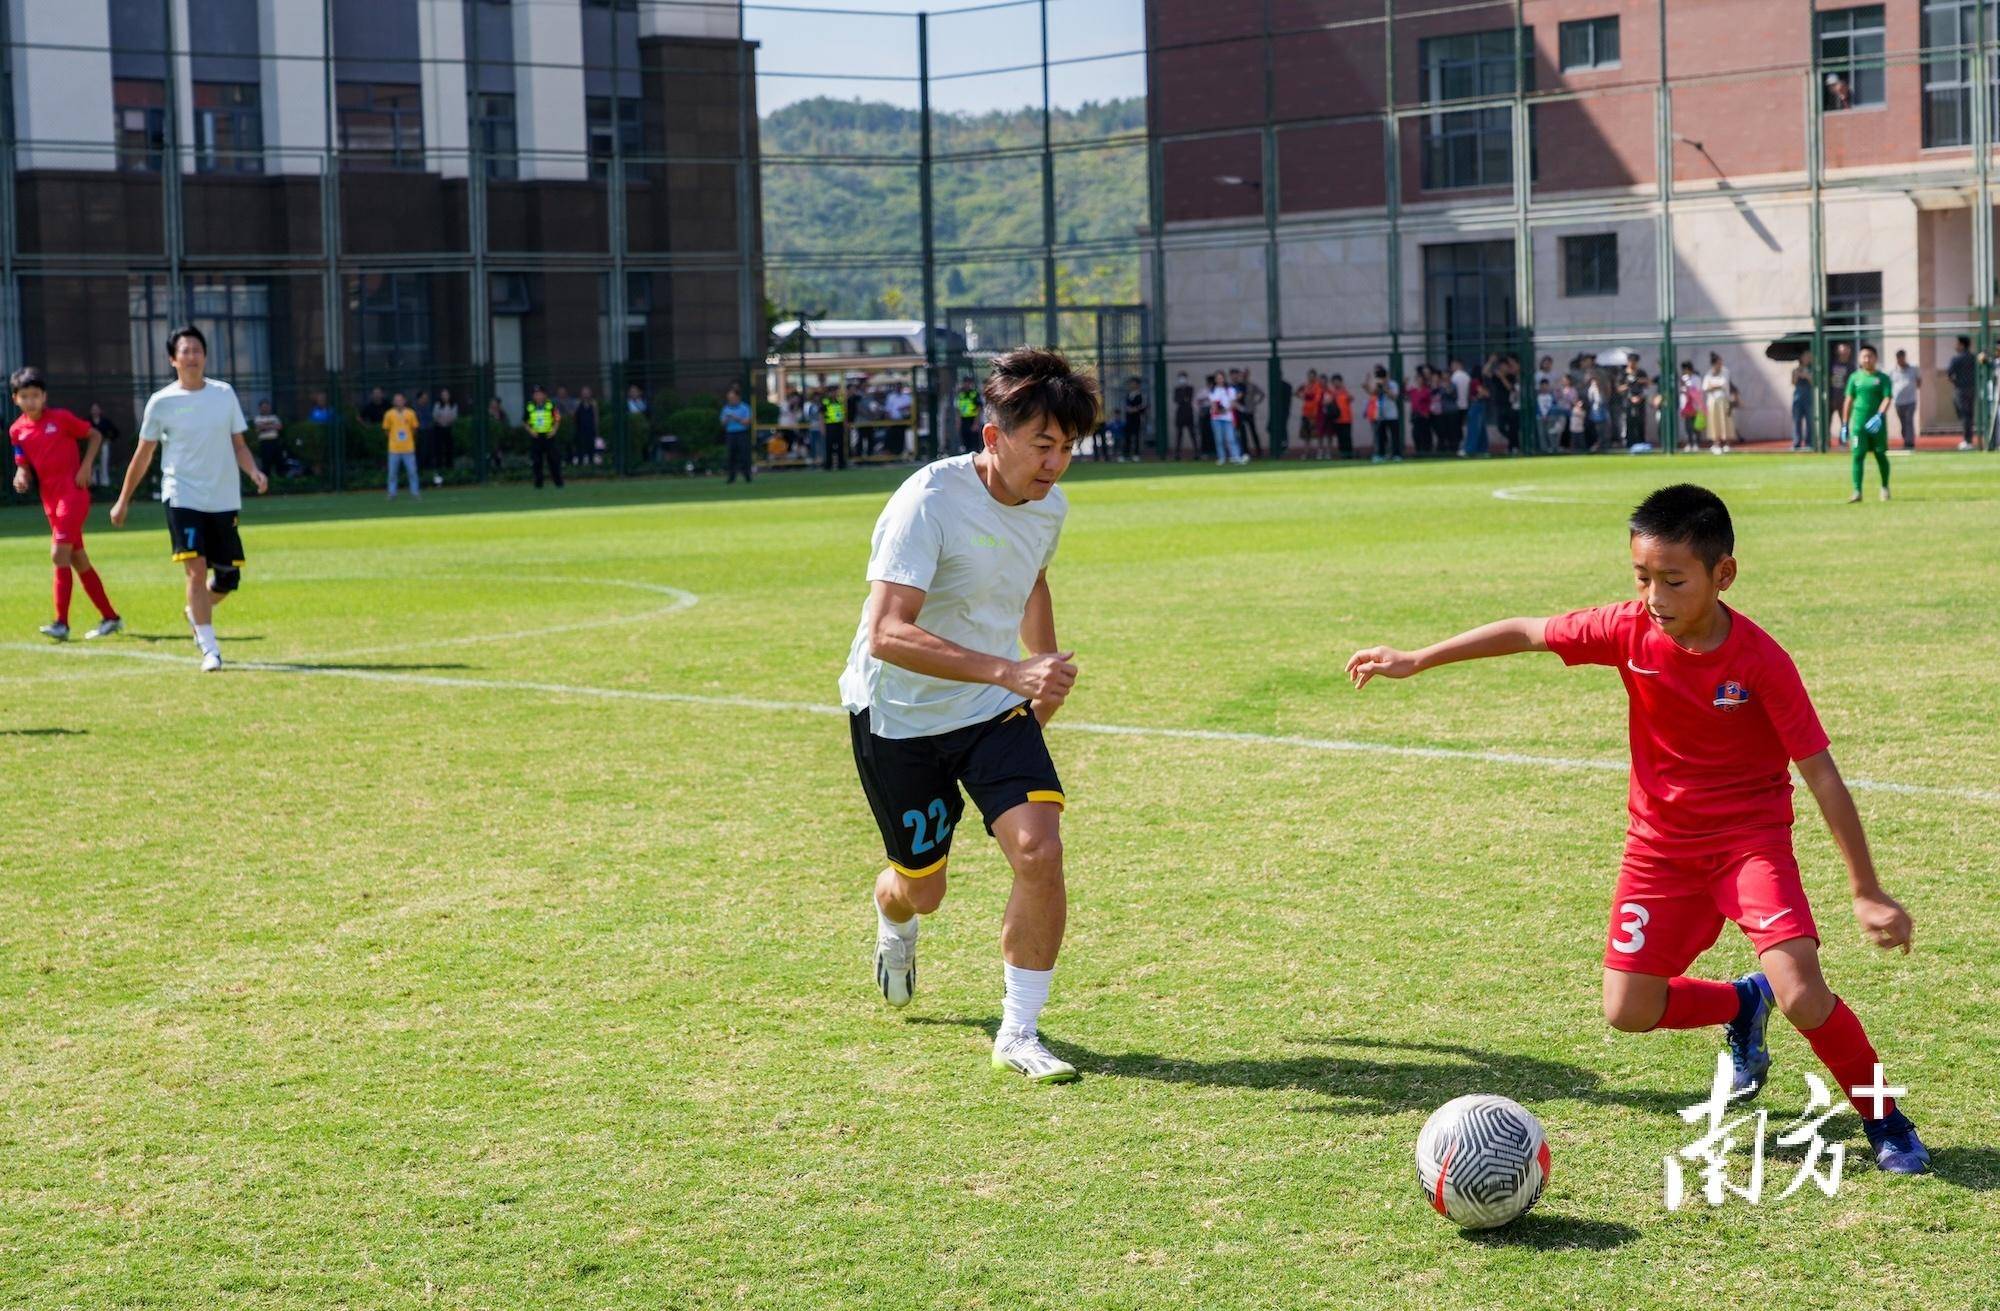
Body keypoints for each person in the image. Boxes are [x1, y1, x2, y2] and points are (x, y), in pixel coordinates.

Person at [1344, 483, 1930, 1176]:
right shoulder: (1627, 630)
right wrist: (1417, 657)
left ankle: (1884, 1116)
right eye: (1643, 577)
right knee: (1628, 1008)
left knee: (1802, 990)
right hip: (1657, 850)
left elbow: (1822, 773)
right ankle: (1741, 1002)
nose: (1654, 595)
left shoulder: (1760, 661)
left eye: (1674, 580)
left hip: (1749, 846)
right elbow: (1529, 630)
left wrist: (1866, 888)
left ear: (1723, 574)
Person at [842, 346, 1095, 1085]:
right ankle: (895, 916)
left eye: (1068, 447)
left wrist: (1042, 669)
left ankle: (1019, 1031)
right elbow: (888, 632)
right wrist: (1011, 669)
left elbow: (1033, 575)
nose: (1055, 463)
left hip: (991, 709)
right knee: (925, 886)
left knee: (1040, 851)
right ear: (994, 436)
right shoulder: (929, 500)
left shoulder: (1050, 504)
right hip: (900, 714)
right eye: (1042, 443)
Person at [109, 324, 268, 672]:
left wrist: (253, 472)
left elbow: (239, 444)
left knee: (227, 579)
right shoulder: (162, 402)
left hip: (224, 498)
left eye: (197, 349)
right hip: (182, 496)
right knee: (195, 570)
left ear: (205, 356)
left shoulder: (224, 394)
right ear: (173, 358)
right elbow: (143, 454)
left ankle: (195, 613)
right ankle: (210, 648)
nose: (192, 356)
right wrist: (123, 500)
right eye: (185, 350)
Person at [10, 366, 122, 641]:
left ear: (44, 396)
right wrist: (20, 475)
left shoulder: (60, 419)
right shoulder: (17, 431)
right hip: (50, 500)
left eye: (35, 395)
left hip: (73, 494)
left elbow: (94, 435)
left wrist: (85, 468)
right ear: (16, 399)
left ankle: (61, 623)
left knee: (58, 554)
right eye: (24, 396)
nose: (31, 401)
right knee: (77, 558)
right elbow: (22, 462)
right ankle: (111, 617)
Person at [1843, 344, 1893, 503]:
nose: (1867, 359)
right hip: (1858, 425)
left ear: (1875, 358)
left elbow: (1887, 397)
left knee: (1880, 454)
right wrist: (1845, 423)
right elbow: (1849, 400)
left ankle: (1885, 487)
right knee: (1857, 456)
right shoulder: (1855, 378)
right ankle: (1857, 492)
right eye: (1864, 356)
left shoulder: (1882, 378)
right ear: (1859, 359)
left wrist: (1879, 415)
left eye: (1870, 356)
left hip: (1877, 425)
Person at [383, 391, 421, 500]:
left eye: (400, 400)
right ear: (393, 402)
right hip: (394, 449)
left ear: (404, 401)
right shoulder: (389, 414)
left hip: (408, 448)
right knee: (392, 473)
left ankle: (415, 492)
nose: (398, 402)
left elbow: (414, 429)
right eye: (396, 400)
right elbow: (386, 430)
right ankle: (392, 493)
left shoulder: (410, 413)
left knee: (412, 472)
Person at [524, 384, 563, 489]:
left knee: (554, 460)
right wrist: (531, 431)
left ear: (544, 395)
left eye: (540, 394)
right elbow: (525, 421)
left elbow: (558, 418)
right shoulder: (529, 406)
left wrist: (554, 430)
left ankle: (558, 483)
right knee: (537, 462)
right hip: (536, 438)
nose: (538, 396)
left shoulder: (550, 405)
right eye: (536, 394)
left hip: (549, 437)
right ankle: (538, 484)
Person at [1944, 335, 1977, 451]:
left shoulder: (1956, 359)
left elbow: (1949, 375)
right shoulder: (1974, 358)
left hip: (1960, 390)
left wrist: (1957, 382)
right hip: (1972, 389)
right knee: (1969, 415)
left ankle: (1967, 441)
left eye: (1957, 344)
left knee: (1964, 415)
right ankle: (1969, 440)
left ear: (1962, 345)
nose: (1955, 346)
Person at [721, 384, 754, 485]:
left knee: (744, 455)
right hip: (731, 434)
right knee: (731, 456)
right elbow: (722, 423)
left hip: (742, 434)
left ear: (738, 397)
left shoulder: (745, 408)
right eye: (729, 398)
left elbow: (747, 422)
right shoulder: (726, 409)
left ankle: (747, 475)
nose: (731, 400)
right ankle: (731, 477)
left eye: (732, 398)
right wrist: (726, 419)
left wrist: (736, 418)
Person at [1366, 365, 1400, 462]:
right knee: (1380, 437)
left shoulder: (1393, 384)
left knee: (1394, 437)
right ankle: (1380, 455)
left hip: (1392, 415)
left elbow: (1394, 397)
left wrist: (1385, 387)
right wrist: (1374, 386)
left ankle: (1396, 455)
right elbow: (1373, 394)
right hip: (1380, 415)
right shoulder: (1377, 384)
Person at [1889, 349, 1920, 451]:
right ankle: (1906, 438)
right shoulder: (1893, 371)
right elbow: (1889, 385)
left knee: (1909, 421)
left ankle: (1909, 443)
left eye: (1902, 358)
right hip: (1898, 402)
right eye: (1898, 358)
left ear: (1904, 357)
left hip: (1910, 400)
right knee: (1903, 423)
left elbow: (1919, 381)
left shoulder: (1913, 369)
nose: (1900, 360)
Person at [1701, 353, 1734, 453]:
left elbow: (1723, 384)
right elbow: (1705, 387)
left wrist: (1713, 386)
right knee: (1714, 423)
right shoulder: (1708, 374)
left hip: (1723, 401)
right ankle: (1716, 444)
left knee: (1726, 422)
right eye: (1718, 363)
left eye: (1721, 362)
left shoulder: (1725, 371)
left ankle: (1727, 444)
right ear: (1714, 364)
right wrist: (1714, 386)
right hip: (1712, 402)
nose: (1720, 364)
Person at [1208, 372, 1242, 465]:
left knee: (1231, 438)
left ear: (1224, 378)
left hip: (1227, 418)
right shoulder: (1212, 390)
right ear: (1215, 380)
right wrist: (1217, 410)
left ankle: (1236, 457)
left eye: (1221, 378)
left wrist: (1226, 409)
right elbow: (1213, 404)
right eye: (1217, 378)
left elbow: (1233, 402)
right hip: (1216, 418)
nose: (1219, 380)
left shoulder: (1230, 389)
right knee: (1219, 439)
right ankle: (1221, 458)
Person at [429, 387, 459, 484]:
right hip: (439, 429)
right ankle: (439, 470)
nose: (445, 397)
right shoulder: (438, 404)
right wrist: (441, 422)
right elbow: (435, 416)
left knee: (449, 449)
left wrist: (447, 421)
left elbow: (454, 416)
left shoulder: (453, 404)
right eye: (443, 395)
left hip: (449, 429)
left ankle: (449, 470)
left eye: (446, 395)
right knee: (439, 450)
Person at [1827, 342, 1854, 448]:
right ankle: (1826, 442)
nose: (1844, 352)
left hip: (1844, 400)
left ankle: (1843, 441)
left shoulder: (1851, 366)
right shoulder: (1831, 364)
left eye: (1846, 350)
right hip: (1831, 398)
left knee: (1845, 421)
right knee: (1827, 422)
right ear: (1838, 351)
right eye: (1842, 350)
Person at [1235, 367, 1264, 459]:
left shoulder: (1252, 385)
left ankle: (1258, 450)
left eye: (1246, 374)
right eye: (1243, 374)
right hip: (1241, 411)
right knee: (1243, 432)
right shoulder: (1238, 386)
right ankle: (1245, 451)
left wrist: (1256, 402)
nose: (1244, 376)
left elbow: (1262, 394)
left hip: (1250, 411)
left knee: (1253, 431)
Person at [1297, 369, 1326, 460]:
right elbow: (1299, 394)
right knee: (1306, 435)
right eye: (1309, 376)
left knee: (1317, 434)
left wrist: (1306, 396)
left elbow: (1316, 399)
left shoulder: (1318, 386)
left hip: (1314, 414)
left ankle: (1320, 452)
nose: (1310, 378)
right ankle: (1306, 453)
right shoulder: (1306, 386)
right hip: (1305, 413)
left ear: (1315, 376)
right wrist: (1300, 393)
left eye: (1312, 376)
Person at [87, 402, 118, 486]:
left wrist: (108, 440)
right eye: (93, 410)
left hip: (103, 445)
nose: (95, 411)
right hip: (91, 446)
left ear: (100, 411)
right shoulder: (88, 421)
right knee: (91, 464)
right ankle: (93, 483)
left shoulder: (105, 421)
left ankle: (105, 483)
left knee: (103, 463)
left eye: (96, 409)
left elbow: (116, 432)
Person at [252, 399, 284, 479]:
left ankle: (280, 481)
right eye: (263, 407)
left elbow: (279, 427)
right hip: (265, 443)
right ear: (260, 408)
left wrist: (265, 427)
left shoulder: (274, 417)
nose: (265, 409)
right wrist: (272, 426)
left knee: (279, 461)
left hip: (275, 442)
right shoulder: (258, 418)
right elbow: (259, 428)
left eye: (267, 407)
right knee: (266, 463)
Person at [1327, 373, 1354, 460]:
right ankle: (1342, 454)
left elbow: (1351, 398)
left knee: (1347, 437)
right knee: (1340, 438)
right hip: (1337, 419)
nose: (1336, 384)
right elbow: (1326, 402)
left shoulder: (1345, 391)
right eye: (1334, 382)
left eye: (1337, 382)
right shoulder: (1332, 393)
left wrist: (1346, 393)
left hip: (1347, 419)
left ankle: (1349, 454)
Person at [1790, 356, 1814, 451]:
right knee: (1797, 421)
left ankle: (1809, 443)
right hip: (1798, 398)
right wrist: (1797, 375)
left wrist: (1807, 376)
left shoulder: (1812, 370)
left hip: (1809, 398)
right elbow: (1793, 382)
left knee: (1809, 421)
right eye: (1806, 356)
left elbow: (1814, 382)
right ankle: (1797, 442)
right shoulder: (1796, 370)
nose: (1807, 358)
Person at [1171, 371, 1197, 460]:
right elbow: (1176, 400)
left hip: (1189, 413)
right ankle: (1177, 454)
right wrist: (1183, 399)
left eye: (1184, 378)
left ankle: (1197, 453)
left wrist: (1184, 398)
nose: (1182, 380)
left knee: (1192, 434)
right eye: (1180, 378)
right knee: (1179, 435)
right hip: (1180, 414)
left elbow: (1189, 398)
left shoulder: (1190, 388)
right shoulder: (1177, 389)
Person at [1120, 376, 1146, 462]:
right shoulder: (1128, 395)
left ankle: (1136, 454)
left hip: (1137, 419)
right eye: (1131, 383)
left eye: (1134, 383)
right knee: (1127, 437)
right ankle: (1126, 455)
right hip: (1128, 419)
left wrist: (1135, 409)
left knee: (1136, 437)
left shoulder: (1141, 395)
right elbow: (1125, 406)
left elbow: (1143, 407)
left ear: (1138, 385)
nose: (1132, 385)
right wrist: (1128, 409)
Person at [822, 387, 848, 471]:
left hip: (839, 426)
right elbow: (821, 416)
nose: (834, 394)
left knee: (840, 446)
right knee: (829, 447)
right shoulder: (825, 402)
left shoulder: (840, 401)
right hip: (829, 426)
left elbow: (843, 414)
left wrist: (845, 426)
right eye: (832, 392)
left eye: (835, 392)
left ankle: (841, 464)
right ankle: (828, 465)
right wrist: (822, 428)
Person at [576, 386, 601, 466]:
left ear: (590, 394)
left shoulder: (593, 404)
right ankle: (580, 465)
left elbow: (596, 417)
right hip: (580, 429)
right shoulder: (578, 403)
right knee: (580, 448)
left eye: (587, 392)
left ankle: (591, 464)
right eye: (584, 393)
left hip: (590, 429)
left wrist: (596, 428)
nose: (586, 394)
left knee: (591, 447)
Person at [955, 380, 981, 454]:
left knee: (973, 440)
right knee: (965, 438)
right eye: (965, 382)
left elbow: (978, 408)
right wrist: (958, 420)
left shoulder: (974, 394)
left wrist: (976, 422)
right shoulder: (960, 394)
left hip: (972, 419)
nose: (967, 384)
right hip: (963, 419)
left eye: (968, 383)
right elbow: (958, 408)